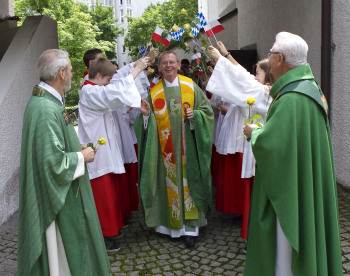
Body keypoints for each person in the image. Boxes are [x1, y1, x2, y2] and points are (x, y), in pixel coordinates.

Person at [242, 32, 343, 275]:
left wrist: (254, 133)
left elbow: (271, 145)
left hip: (290, 188)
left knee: (285, 246)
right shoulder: (310, 88)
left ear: (279, 58)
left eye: (270, 54)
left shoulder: (291, 97)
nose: (268, 58)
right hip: (304, 178)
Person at [18, 49, 110, 275]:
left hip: (60, 190)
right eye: (69, 69)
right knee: (61, 255)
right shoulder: (46, 108)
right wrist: (82, 156)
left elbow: (50, 145)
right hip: (58, 198)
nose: (72, 74)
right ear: (61, 73)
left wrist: (73, 146)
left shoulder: (46, 100)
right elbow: (52, 162)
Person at [134, 51, 214, 248]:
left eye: (172, 62)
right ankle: (171, 228)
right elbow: (144, 125)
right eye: (164, 63)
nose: (168, 66)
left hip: (189, 151)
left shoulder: (190, 86)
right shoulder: (154, 92)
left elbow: (207, 112)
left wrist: (195, 115)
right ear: (159, 67)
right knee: (169, 186)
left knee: (189, 183)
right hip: (165, 154)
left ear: (178, 64)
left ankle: (190, 230)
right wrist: (145, 116)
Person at [78, 57, 149, 252]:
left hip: (106, 152)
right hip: (98, 156)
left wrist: (136, 107)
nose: (110, 83)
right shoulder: (88, 90)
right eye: (108, 79)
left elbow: (114, 98)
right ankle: (104, 236)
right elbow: (113, 92)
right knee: (102, 197)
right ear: (99, 75)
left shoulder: (96, 90)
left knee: (109, 195)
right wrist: (136, 70)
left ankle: (110, 231)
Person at [207, 43, 275, 240]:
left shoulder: (266, 94)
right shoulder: (263, 90)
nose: (254, 77)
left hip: (259, 152)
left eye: (259, 74)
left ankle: (258, 236)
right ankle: (254, 233)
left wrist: (222, 59)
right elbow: (244, 77)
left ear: (268, 76)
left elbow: (244, 81)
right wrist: (225, 57)